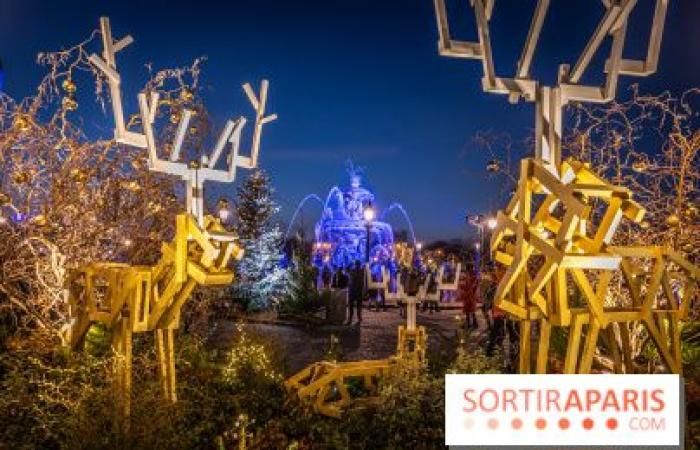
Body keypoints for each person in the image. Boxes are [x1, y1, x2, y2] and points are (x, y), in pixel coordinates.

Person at [345, 260, 365, 325]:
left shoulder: (356, 271)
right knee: (355, 306)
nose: (356, 265)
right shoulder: (360, 271)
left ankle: (353, 320)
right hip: (355, 291)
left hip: (355, 291)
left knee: (354, 306)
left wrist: (350, 263)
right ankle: (355, 319)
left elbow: (346, 269)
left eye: (356, 264)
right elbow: (346, 270)